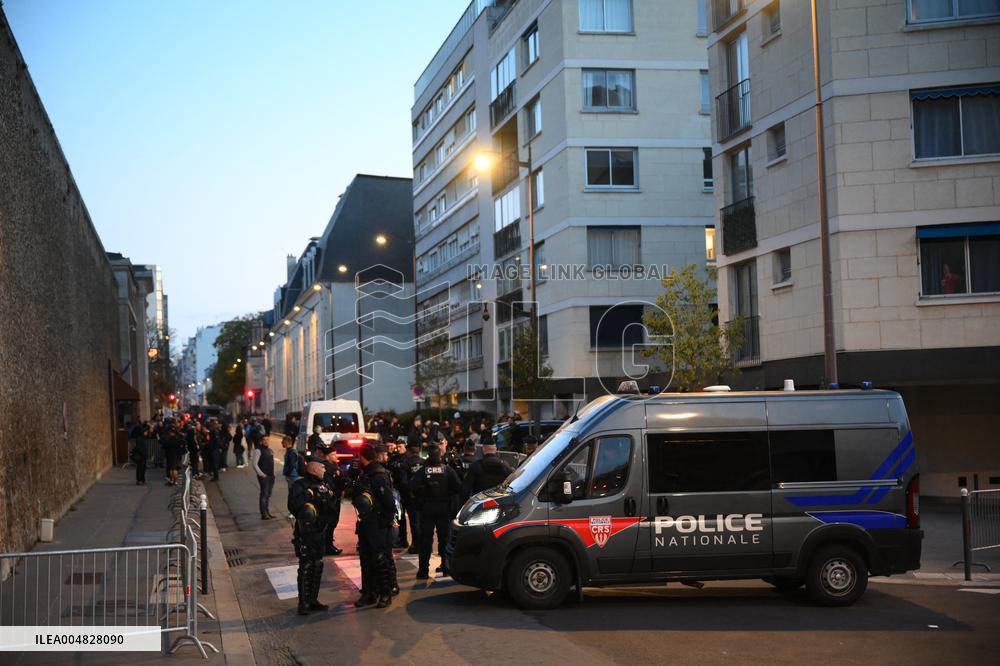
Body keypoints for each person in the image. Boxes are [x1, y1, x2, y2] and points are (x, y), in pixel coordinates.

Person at [353, 444, 399, 608]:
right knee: (366, 559)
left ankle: (385, 593)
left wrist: (385, 523)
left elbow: (389, 502)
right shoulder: (365, 473)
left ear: (362, 456)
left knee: (380, 559)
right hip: (366, 522)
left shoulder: (378, 475)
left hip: (377, 523)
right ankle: (369, 593)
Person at [287, 460, 335, 615]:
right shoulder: (300, 485)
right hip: (306, 532)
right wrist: (308, 495)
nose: (324, 469)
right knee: (306, 565)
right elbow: (294, 506)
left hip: (320, 531)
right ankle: (304, 603)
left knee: (317, 564)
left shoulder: (323, 484)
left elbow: (332, 503)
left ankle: (313, 600)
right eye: (322, 467)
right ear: (313, 469)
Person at [409, 447, 461, 579]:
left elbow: (412, 487)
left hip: (427, 508)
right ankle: (446, 567)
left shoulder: (423, 471)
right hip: (444, 507)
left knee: (425, 540)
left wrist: (421, 493)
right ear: (440, 457)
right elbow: (458, 487)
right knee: (444, 539)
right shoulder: (447, 470)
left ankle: (423, 571)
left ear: (429, 457)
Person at [399, 441, 425, 555]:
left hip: (411, 497)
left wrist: (411, 491)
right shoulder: (424, 463)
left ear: (408, 451)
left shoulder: (405, 463)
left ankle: (416, 545)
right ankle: (423, 544)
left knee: (414, 522)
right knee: (423, 522)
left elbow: (403, 482)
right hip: (423, 497)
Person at [252, 440, 276, 520]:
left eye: (267, 439)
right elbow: (254, 464)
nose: (266, 441)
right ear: (261, 441)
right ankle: (264, 513)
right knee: (264, 494)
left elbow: (272, 462)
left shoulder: (269, 450)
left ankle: (267, 512)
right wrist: (261, 474)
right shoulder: (258, 450)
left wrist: (274, 473)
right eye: (264, 440)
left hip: (271, 475)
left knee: (268, 494)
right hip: (264, 476)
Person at [282, 435, 301, 518]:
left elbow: (292, 465)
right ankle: (293, 512)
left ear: (287, 442)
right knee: (292, 494)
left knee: (293, 494)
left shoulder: (292, 452)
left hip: (293, 476)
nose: (282, 442)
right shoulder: (289, 451)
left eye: (283, 441)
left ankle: (293, 512)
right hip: (292, 476)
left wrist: (287, 474)